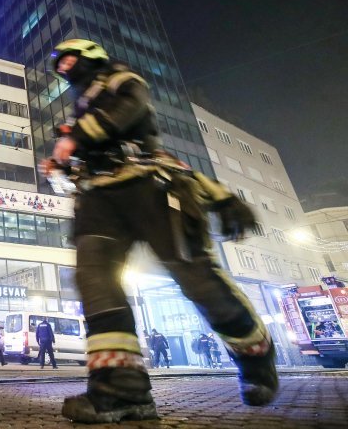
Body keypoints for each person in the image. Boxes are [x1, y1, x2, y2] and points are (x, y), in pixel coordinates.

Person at [39, 39, 278, 423]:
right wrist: (62, 167)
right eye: (60, 63)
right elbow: (85, 150)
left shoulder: (120, 79)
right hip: (99, 199)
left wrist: (74, 139)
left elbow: (127, 110)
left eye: (70, 58)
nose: (65, 67)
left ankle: (256, 354)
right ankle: (121, 390)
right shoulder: (83, 107)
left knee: (196, 280)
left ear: (91, 56)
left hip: (150, 187)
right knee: (95, 283)